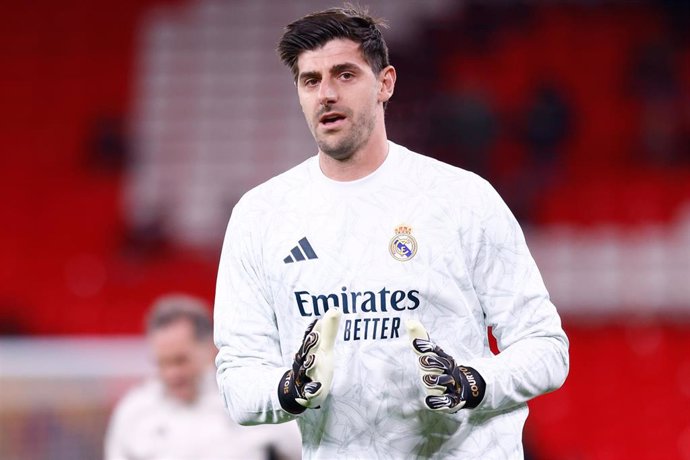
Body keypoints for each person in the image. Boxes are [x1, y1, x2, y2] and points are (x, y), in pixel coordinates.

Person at [214, 6, 569, 459]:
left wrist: (473, 383)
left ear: (385, 83)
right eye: (310, 80)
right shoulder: (261, 216)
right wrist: (288, 389)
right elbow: (238, 379)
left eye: (345, 75)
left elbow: (546, 348)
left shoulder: (461, 198)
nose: (326, 94)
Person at [105, 294, 302, 460]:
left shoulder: (252, 400)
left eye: (180, 360)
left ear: (209, 348)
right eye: (162, 363)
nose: (171, 373)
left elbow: (304, 450)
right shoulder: (134, 412)